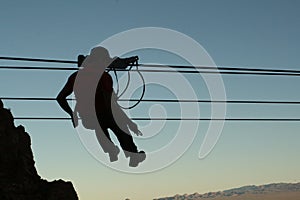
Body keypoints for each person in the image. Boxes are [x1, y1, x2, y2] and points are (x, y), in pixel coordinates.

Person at [56, 47, 146, 167]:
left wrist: (71, 114)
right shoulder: (105, 77)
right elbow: (112, 106)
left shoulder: (75, 76)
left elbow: (60, 98)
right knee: (119, 126)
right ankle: (131, 155)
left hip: (88, 117)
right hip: (104, 114)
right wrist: (129, 123)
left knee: (99, 126)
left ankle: (111, 150)